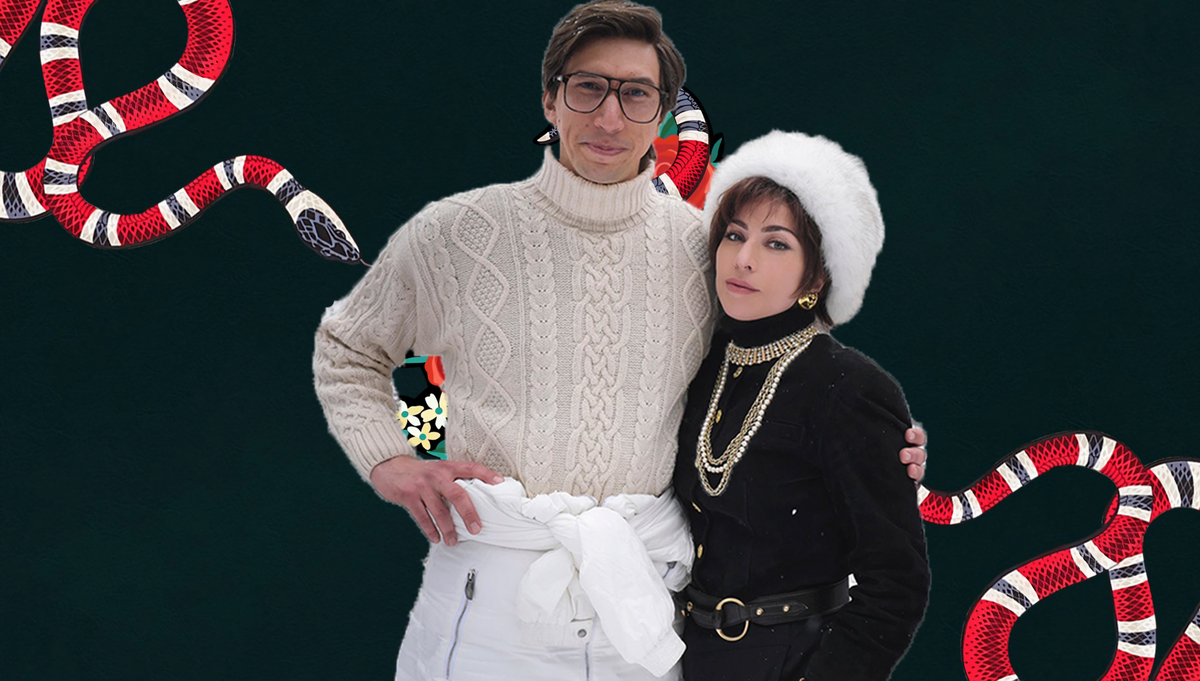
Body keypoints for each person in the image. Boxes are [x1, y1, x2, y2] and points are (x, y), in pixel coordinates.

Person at [312, 2, 927, 679]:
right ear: (550, 99)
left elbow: (777, 370)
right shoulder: (456, 233)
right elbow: (349, 349)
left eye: (635, 95)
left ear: (660, 114)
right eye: (587, 88)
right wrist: (387, 461)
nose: (609, 118)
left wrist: (878, 446)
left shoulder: (703, 250)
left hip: (645, 615)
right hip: (489, 602)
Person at [673, 131, 931, 681]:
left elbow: (897, 583)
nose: (743, 260)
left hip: (792, 660)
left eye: (776, 244)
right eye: (734, 235)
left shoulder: (849, 387)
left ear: (817, 273)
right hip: (685, 655)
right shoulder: (699, 360)